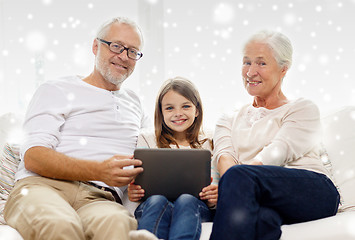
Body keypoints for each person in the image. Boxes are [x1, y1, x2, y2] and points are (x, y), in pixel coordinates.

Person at [4, 17, 150, 240]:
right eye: (116, 46)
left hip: (100, 199)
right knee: (60, 226)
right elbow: (33, 157)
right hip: (43, 188)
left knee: (118, 225)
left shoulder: (137, 105)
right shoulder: (56, 89)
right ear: (95, 46)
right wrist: (99, 171)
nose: (123, 56)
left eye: (133, 51)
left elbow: (153, 153)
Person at [209, 30, 340, 240]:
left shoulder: (302, 108)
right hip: (258, 196)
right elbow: (224, 156)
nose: (250, 72)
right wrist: (233, 186)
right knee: (263, 221)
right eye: (246, 62)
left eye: (261, 63)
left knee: (237, 176)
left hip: (313, 191)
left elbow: (277, 152)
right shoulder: (228, 119)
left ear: (283, 69)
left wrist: (231, 184)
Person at [128, 77, 218, 240]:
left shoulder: (210, 141)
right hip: (153, 205)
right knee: (156, 200)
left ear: (196, 110)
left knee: (186, 200)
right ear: (161, 113)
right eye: (169, 108)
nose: (178, 113)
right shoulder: (147, 139)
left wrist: (213, 198)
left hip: (195, 207)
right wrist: (134, 192)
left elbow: (214, 188)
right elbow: (138, 182)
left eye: (186, 106)